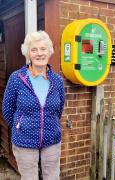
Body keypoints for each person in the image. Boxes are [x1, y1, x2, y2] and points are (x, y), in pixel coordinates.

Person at [2, 30, 65, 180]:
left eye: (43, 49)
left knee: (52, 177)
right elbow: (7, 109)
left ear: (49, 52)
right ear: (28, 53)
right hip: (24, 140)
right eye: (34, 49)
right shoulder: (17, 78)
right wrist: (20, 125)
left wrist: (50, 124)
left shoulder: (57, 81)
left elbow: (60, 108)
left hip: (51, 139)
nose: (39, 53)